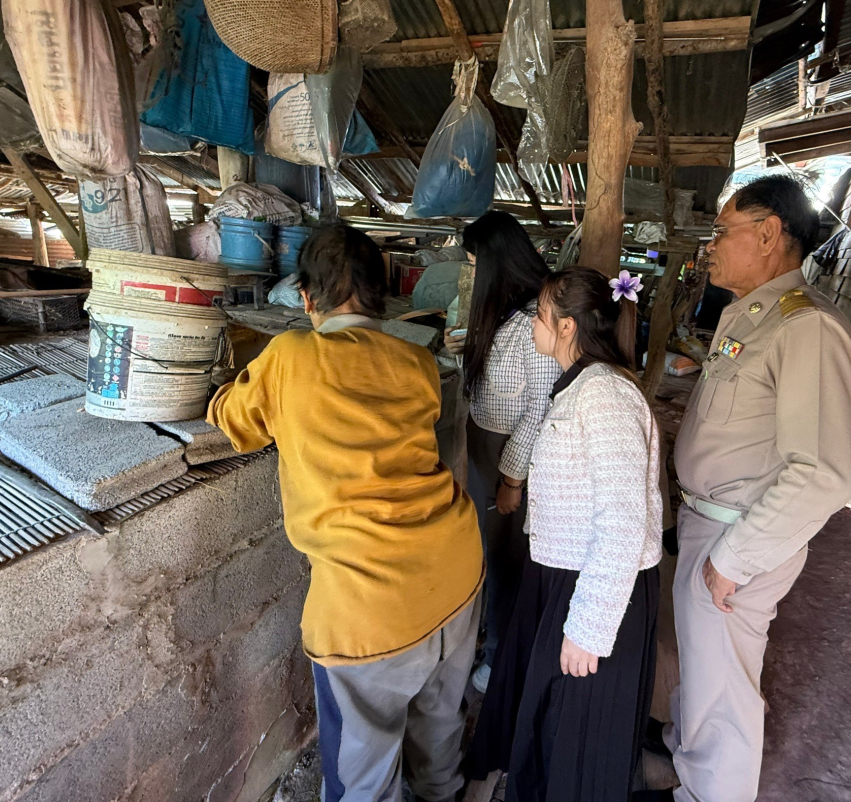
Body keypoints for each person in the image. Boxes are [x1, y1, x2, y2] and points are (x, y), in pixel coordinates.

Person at [207, 224, 484, 802]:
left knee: (363, 771)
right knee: (438, 724)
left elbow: (234, 420)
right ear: (382, 296)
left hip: (368, 609)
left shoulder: (288, 356)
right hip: (456, 570)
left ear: (306, 298)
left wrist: (227, 384)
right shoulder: (419, 364)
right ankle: (444, 793)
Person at [664, 174, 851, 802]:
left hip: (738, 534)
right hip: (712, 522)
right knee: (704, 670)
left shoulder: (806, 329)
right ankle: (684, 762)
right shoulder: (752, 316)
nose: (712, 244)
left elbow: (822, 473)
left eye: (723, 231)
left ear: (770, 233)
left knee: (722, 689)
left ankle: (707, 792)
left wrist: (734, 559)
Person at [467, 266, 664, 802]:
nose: (533, 323)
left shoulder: (606, 397)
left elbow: (624, 520)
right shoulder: (579, 387)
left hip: (597, 586)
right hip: (565, 573)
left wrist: (590, 628)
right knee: (553, 711)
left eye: (540, 315)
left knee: (580, 725)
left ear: (568, 327)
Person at [442, 211, 561, 693]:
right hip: (484, 441)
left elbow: (539, 406)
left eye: (473, 264)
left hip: (510, 451)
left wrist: (512, 480)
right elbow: (495, 380)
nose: (469, 273)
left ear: (496, 265)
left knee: (508, 557)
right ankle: (495, 638)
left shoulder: (537, 318)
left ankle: (502, 661)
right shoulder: (507, 308)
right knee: (487, 550)